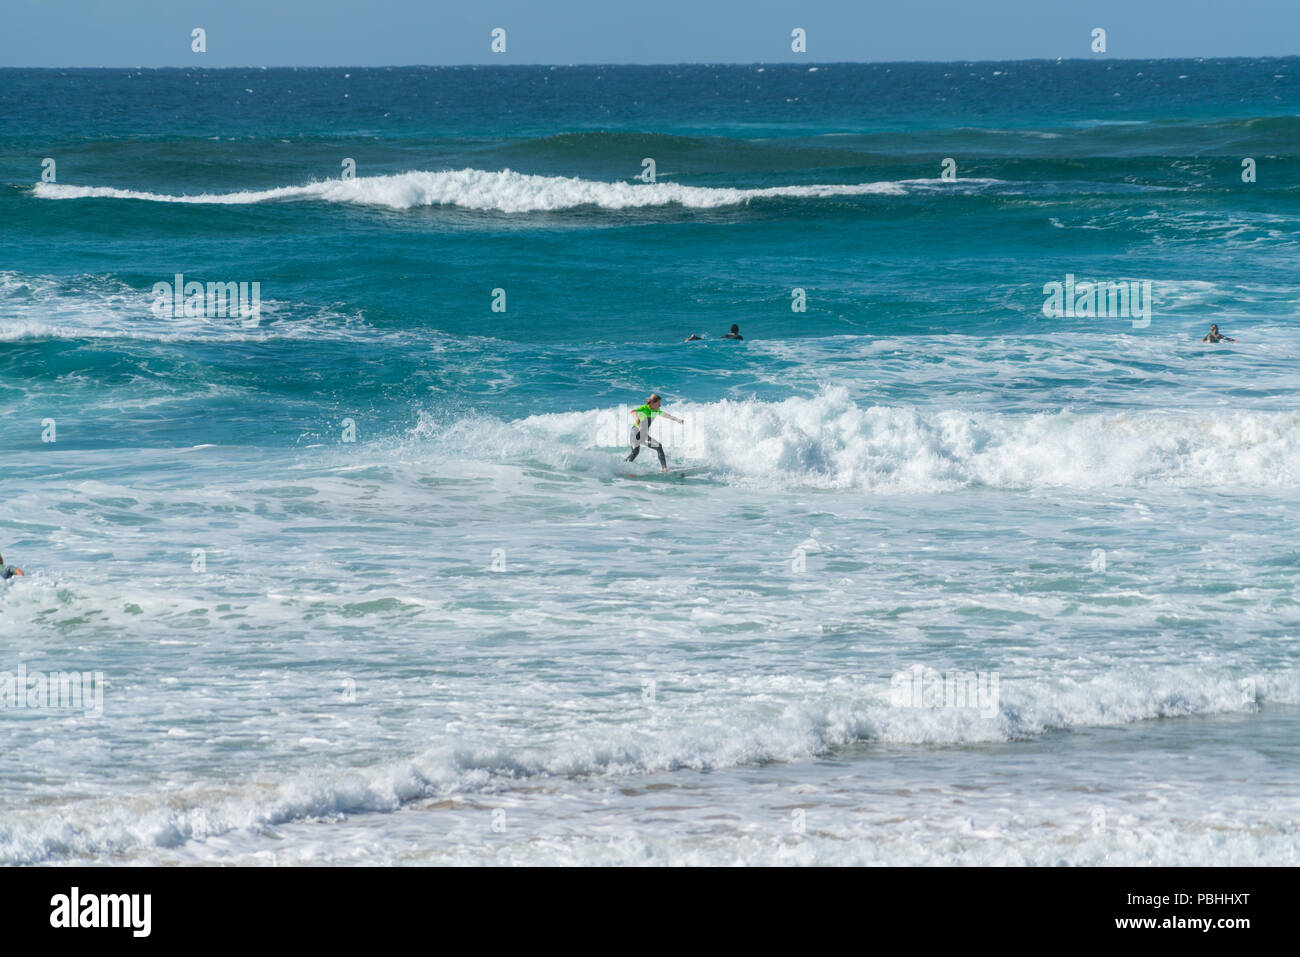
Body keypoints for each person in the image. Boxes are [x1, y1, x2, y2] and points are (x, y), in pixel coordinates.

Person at [625, 393, 684, 471]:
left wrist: (677, 420)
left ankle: (664, 468)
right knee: (635, 452)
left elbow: (667, 415)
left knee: (658, 447)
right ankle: (623, 467)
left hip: (643, 435)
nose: (660, 406)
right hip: (635, 432)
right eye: (658, 403)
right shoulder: (645, 408)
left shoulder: (656, 411)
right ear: (652, 403)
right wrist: (636, 418)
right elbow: (633, 411)